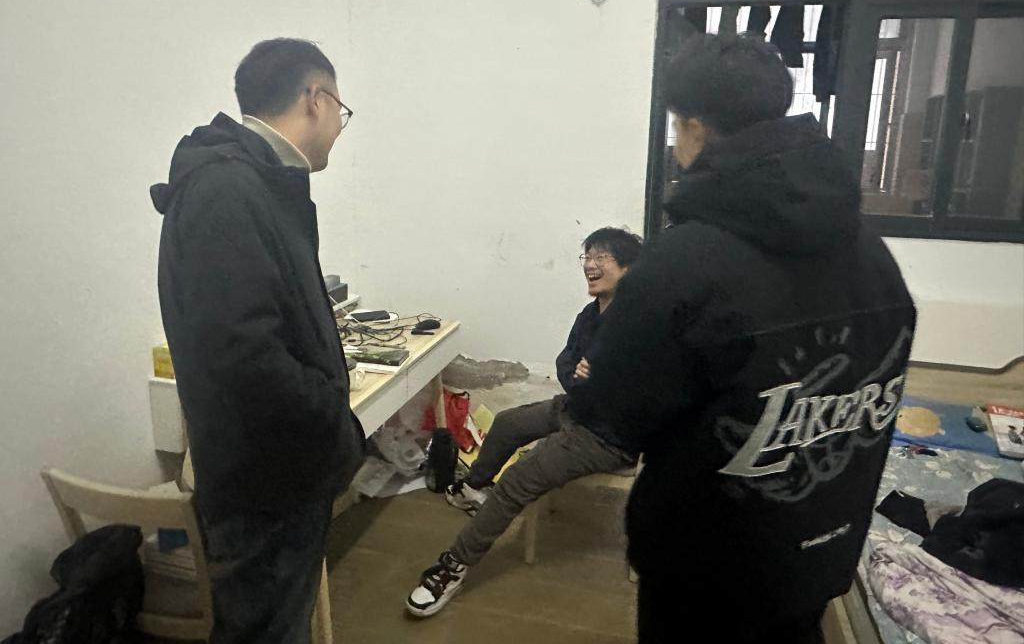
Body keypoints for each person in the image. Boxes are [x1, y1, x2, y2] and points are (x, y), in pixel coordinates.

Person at [574, 35, 917, 643]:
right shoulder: (873, 253)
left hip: (705, 576)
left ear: (694, 129)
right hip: (820, 551)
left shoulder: (680, 265)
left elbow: (611, 415)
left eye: (676, 129)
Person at [151, 38, 365, 643]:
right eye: (341, 110)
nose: (339, 128)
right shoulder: (227, 190)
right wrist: (336, 425)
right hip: (264, 484)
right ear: (315, 99)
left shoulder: (254, 184)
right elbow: (245, 356)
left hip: (274, 472)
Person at [405, 227, 643, 618]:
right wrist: (581, 381)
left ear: (629, 269)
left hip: (606, 436)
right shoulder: (589, 315)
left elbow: (641, 392)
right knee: (506, 424)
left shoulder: (639, 324)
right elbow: (566, 362)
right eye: (587, 256)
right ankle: (473, 489)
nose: (590, 264)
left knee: (518, 479)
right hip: (575, 407)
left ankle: (452, 566)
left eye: (602, 257)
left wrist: (596, 381)